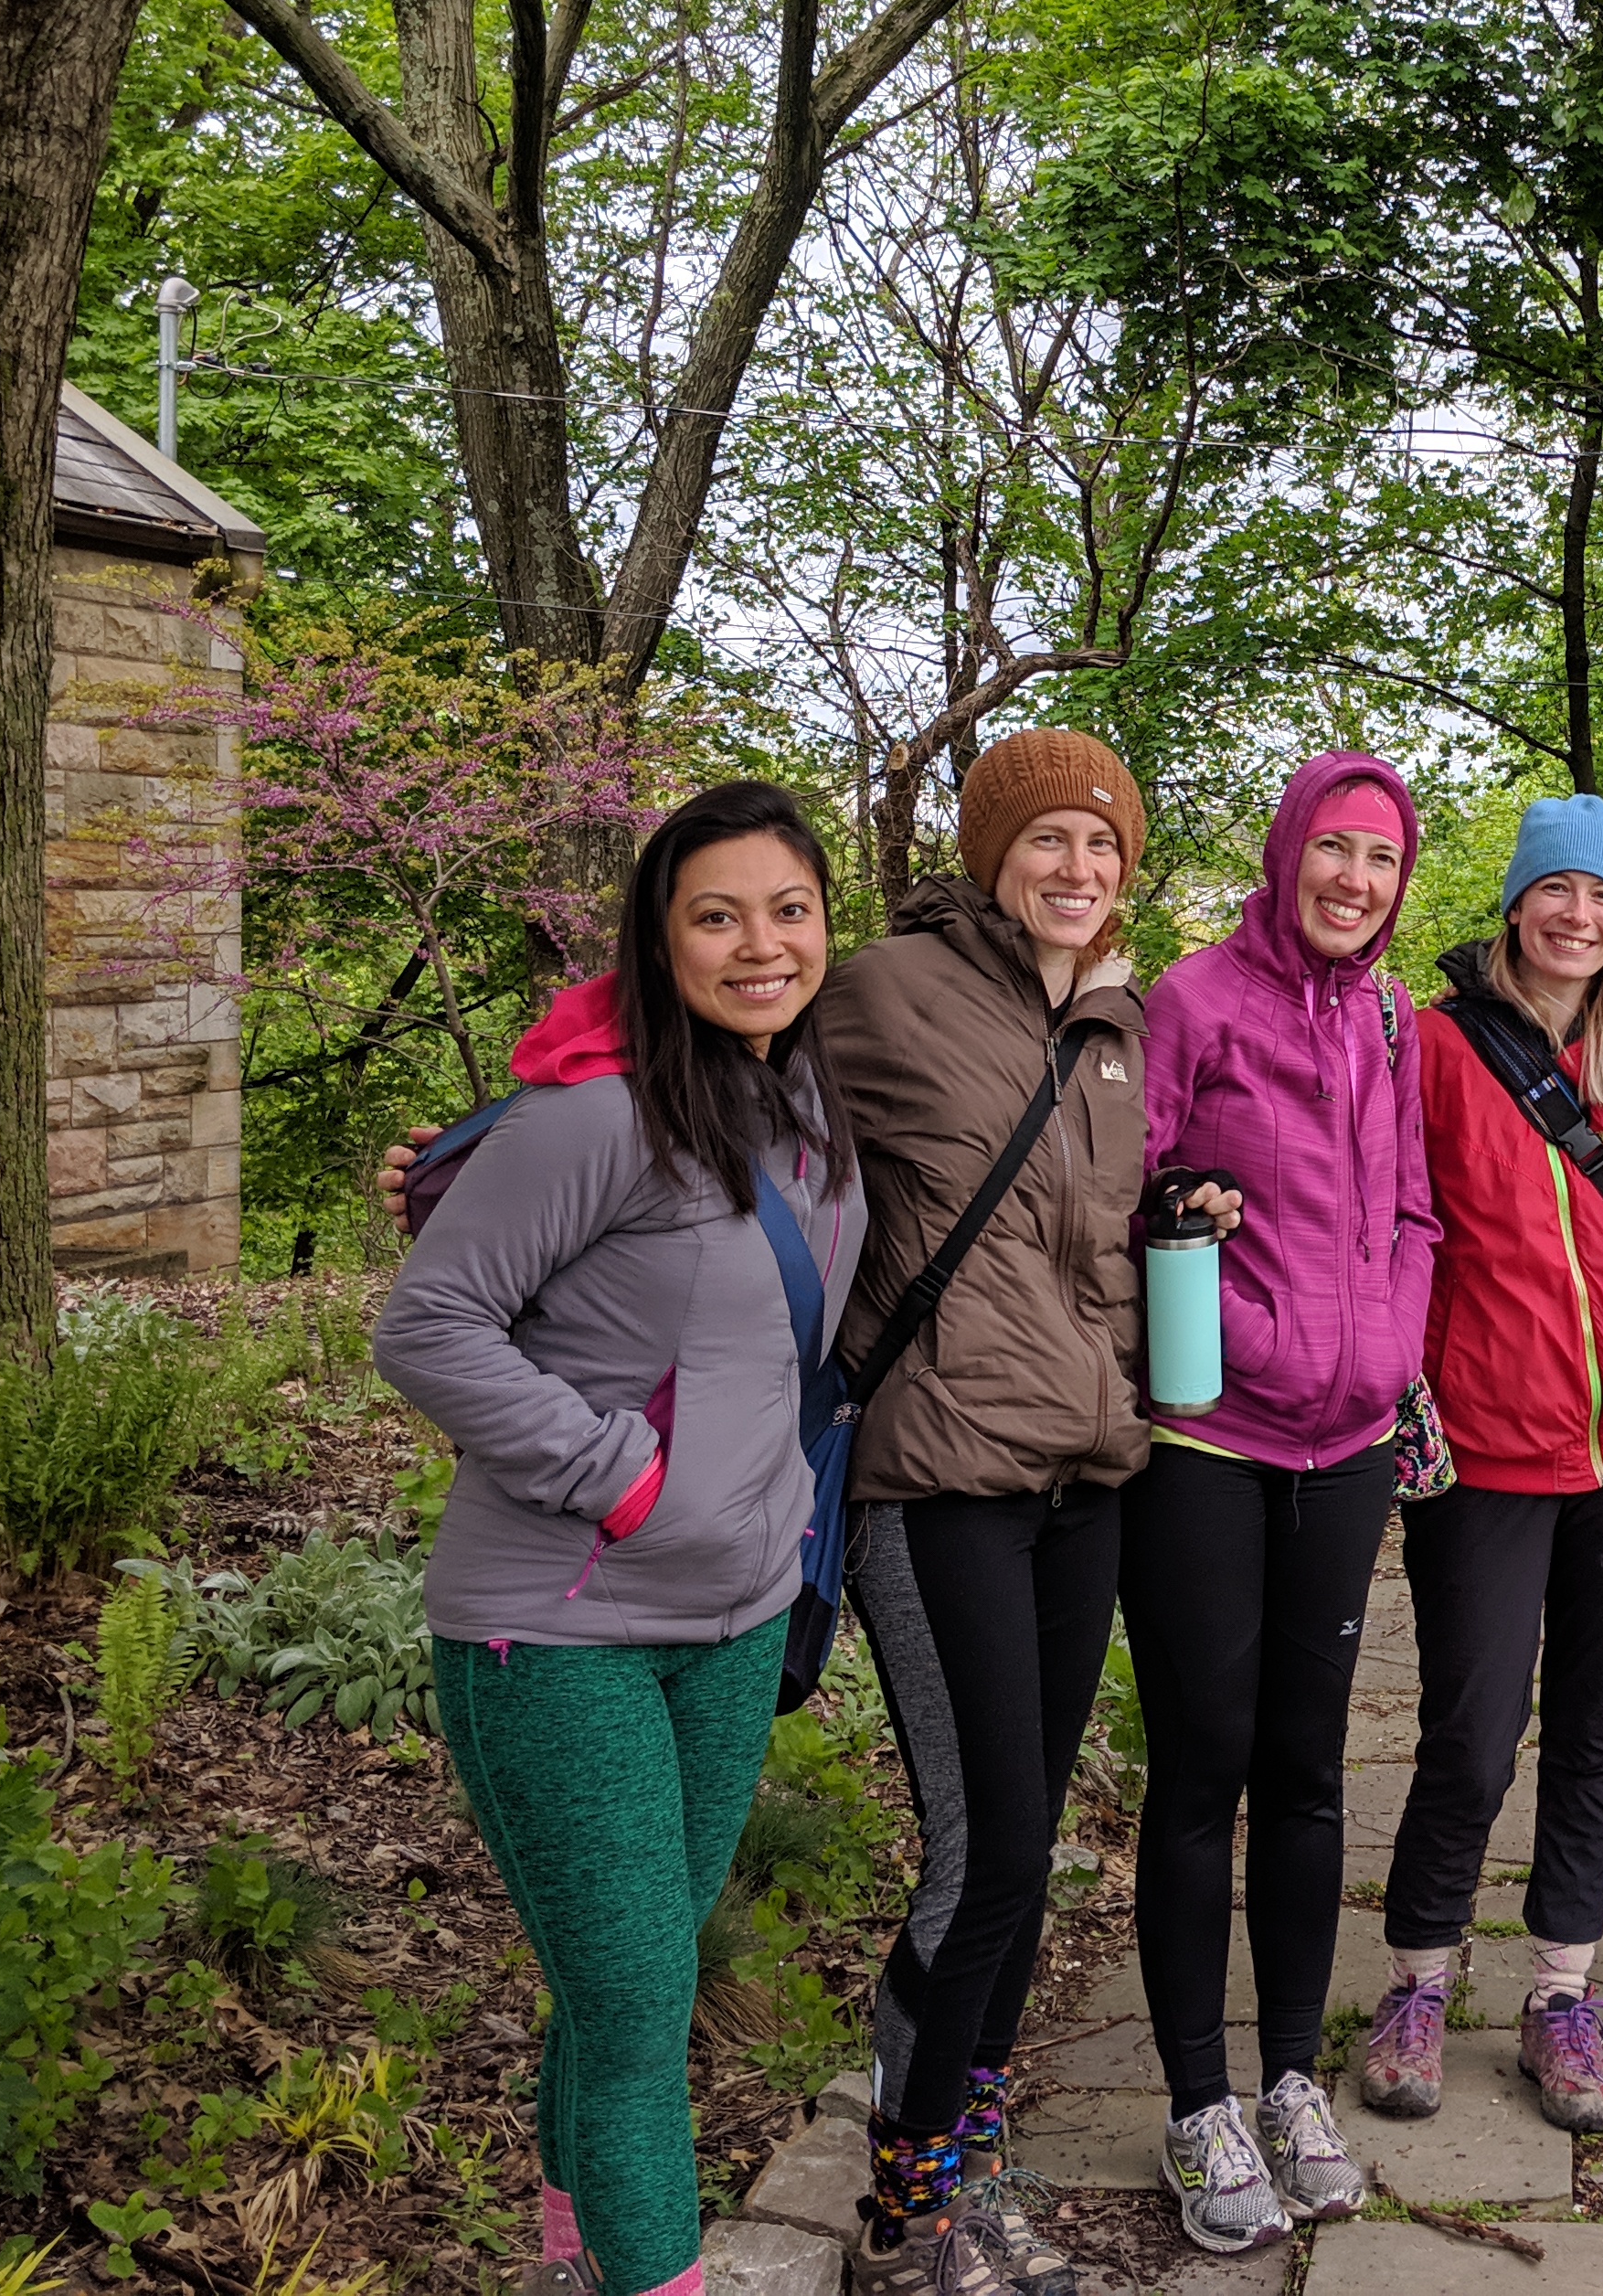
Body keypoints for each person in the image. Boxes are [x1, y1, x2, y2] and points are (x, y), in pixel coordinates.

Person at [373, 781, 861, 2296]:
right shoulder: (603, 1115)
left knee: (618, 1987)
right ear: (661, 942)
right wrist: (622, 1477)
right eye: (716, 915)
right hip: (559, 1629)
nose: (759, 943)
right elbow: (430, 1325)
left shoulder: (804, 1109)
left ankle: (574, 2243)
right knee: (647, 2014)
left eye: (788, 909)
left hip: (729, 1625)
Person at [823, 728, 1176, 2296]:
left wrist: (1176, 1220)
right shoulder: (880, 993)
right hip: (938, 1474)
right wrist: (485, 1153)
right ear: (990, 854)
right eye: (1048, 843)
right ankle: (902, 2210)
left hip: (1081, 1481)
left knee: (1027, 1853)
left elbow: (1081, 1249)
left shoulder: (1116, 1029)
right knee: (985, 1857)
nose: (1076, 870)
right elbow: (683, 1071)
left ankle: (954, 2171)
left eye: (1102, 849)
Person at [1355, 793, 1603, 2137]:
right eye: (1556, 891)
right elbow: (1396, 1227)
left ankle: (1565, 1995)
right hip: (1484, 1449)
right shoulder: (1433, 1047)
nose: (1577, 916)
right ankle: (1417, 1982)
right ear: (1517, 903)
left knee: (1593, 1733)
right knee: (1469, 1734)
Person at [1122, 753, 1436, 2252]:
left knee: (1310, 1776)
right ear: (1286, 852)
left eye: (1382, 859)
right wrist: (1176, 1213)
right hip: (1211, 1444)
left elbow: (1419, 1208)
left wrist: (1395, 1340)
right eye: (1336, 850)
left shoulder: (1396, 1020)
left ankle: (1290, 2080)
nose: (1356, 881)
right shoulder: (1193, 1000)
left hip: (1351, 1441)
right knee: (1202, 1770)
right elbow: (1111, 1186)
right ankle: (1197, 2101)